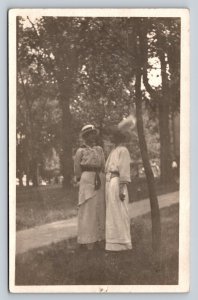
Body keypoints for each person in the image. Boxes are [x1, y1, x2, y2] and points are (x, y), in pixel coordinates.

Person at [105, 117, 135, 251]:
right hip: (111, 183)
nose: (111, 138)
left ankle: (123, 242)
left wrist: (122, 189)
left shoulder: (123, 150)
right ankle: (113, 243)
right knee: (112, 212)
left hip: (117, 183)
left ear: (118, 137)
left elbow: (123, 170)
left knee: (120, 211)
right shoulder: (114, 151)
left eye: (113, 136)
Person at [74, 124, 106, 250]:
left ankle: (99, 238)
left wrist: (100, 176)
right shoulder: (80, 151)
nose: (92, 136)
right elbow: (77, 169)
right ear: (85, 136)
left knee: (99, 208)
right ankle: (86, 240)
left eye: (93, 134)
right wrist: (82, 179)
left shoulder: (99, 150)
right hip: (87, 180)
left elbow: (103, 165)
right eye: (90, 134)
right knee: (88, 209)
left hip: (99, 178)